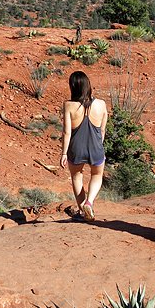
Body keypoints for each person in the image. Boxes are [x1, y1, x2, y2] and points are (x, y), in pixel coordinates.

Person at [60, 71, 108, 221]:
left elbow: (67, 132)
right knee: (97, 175)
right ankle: (90, 202)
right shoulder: (101, 104)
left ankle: (82, 212)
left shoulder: (68, 105)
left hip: (76, 148)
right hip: (95, 147)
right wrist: (98, 146)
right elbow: (102, 130)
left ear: (73, 87)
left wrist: (63, 153)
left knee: (76, 177)